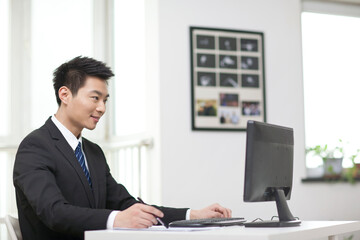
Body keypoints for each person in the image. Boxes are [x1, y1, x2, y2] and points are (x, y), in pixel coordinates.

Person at [13, 56, 232, 240]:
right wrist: (117, 219)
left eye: (105, 100)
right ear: (65, 95)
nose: (101, 108)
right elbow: (54, 212)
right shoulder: (35, 147)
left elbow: (127, 204)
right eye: (95, 98)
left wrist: (192, 215)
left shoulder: (93, 152)